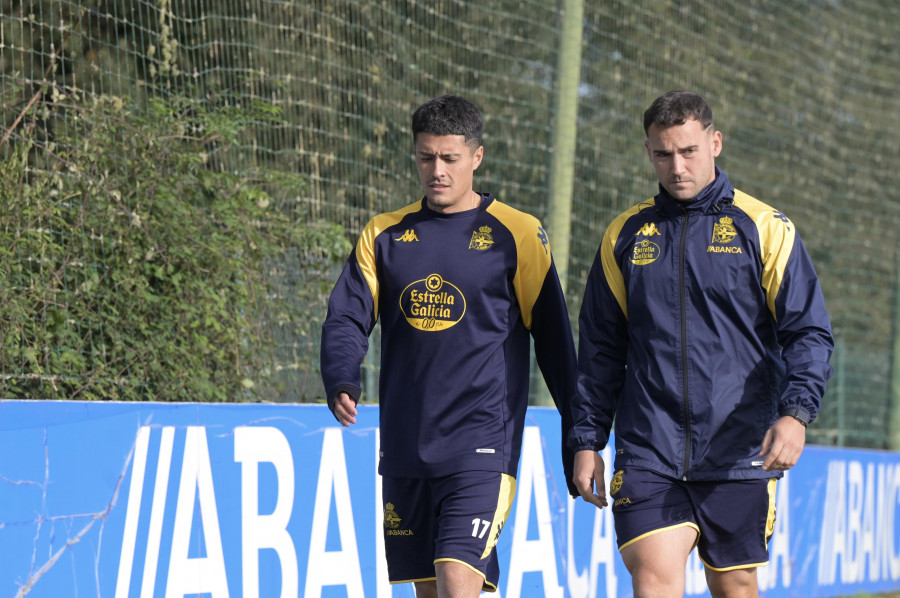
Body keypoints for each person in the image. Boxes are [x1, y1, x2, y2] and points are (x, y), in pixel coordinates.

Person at [568, 90, 833, 598]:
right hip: (648, 448)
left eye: (688, 151)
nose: (677, 166)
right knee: (652, 582)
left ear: (715, 143)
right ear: (648, 151)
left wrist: (795, 414)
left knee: (734, 586)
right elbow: (599, 350)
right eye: (663, 153)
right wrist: (586, 441)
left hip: (739, 450)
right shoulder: (624, 235)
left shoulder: (764, 229)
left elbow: (809, 333)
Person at [321, 94, 576, 597]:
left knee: (458, 579)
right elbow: (347, 315)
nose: (436, 170)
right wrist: (341, 375)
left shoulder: (518, 234)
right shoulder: (385, 234)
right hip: (404, 446)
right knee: (432, 591)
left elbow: (554, 341)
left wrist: (581, 433)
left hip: (483, 443)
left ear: (476, 157)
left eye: (449, 159)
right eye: (425, 157)